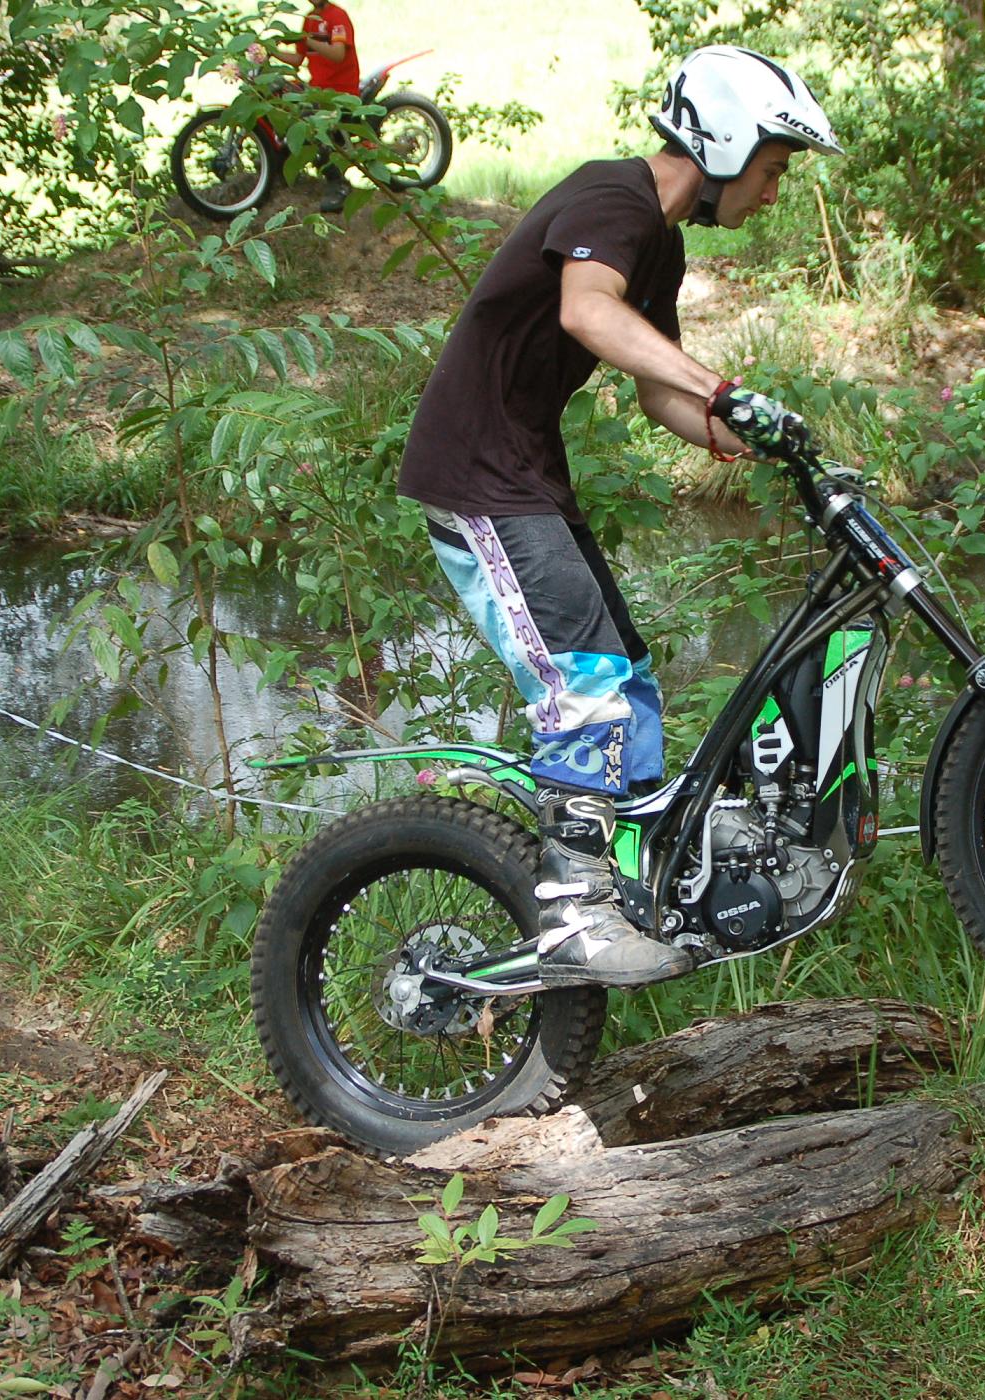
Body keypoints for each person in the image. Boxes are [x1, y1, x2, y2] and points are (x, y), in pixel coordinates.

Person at [397, 45, 838, 988]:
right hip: (480, 477)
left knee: (628, 679)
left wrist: (760, 438)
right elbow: (589, 314)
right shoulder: (613, 197)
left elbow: (656, 390)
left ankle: (631, 875)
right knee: (584, 683)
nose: (773, 193)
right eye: (772, 169)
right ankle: (574, 915)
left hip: (525, 480)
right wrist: (721, 388)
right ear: (726, 144)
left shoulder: (658, 241)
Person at [271, 0, 360, 213]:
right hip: (317, 89)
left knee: (313, 129)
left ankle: (338, 183)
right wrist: (270, 51)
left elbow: (338, 54)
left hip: (340, 93)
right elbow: (298, 59)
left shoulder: (337, 17)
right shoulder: (310, 20)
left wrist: (308, 40)